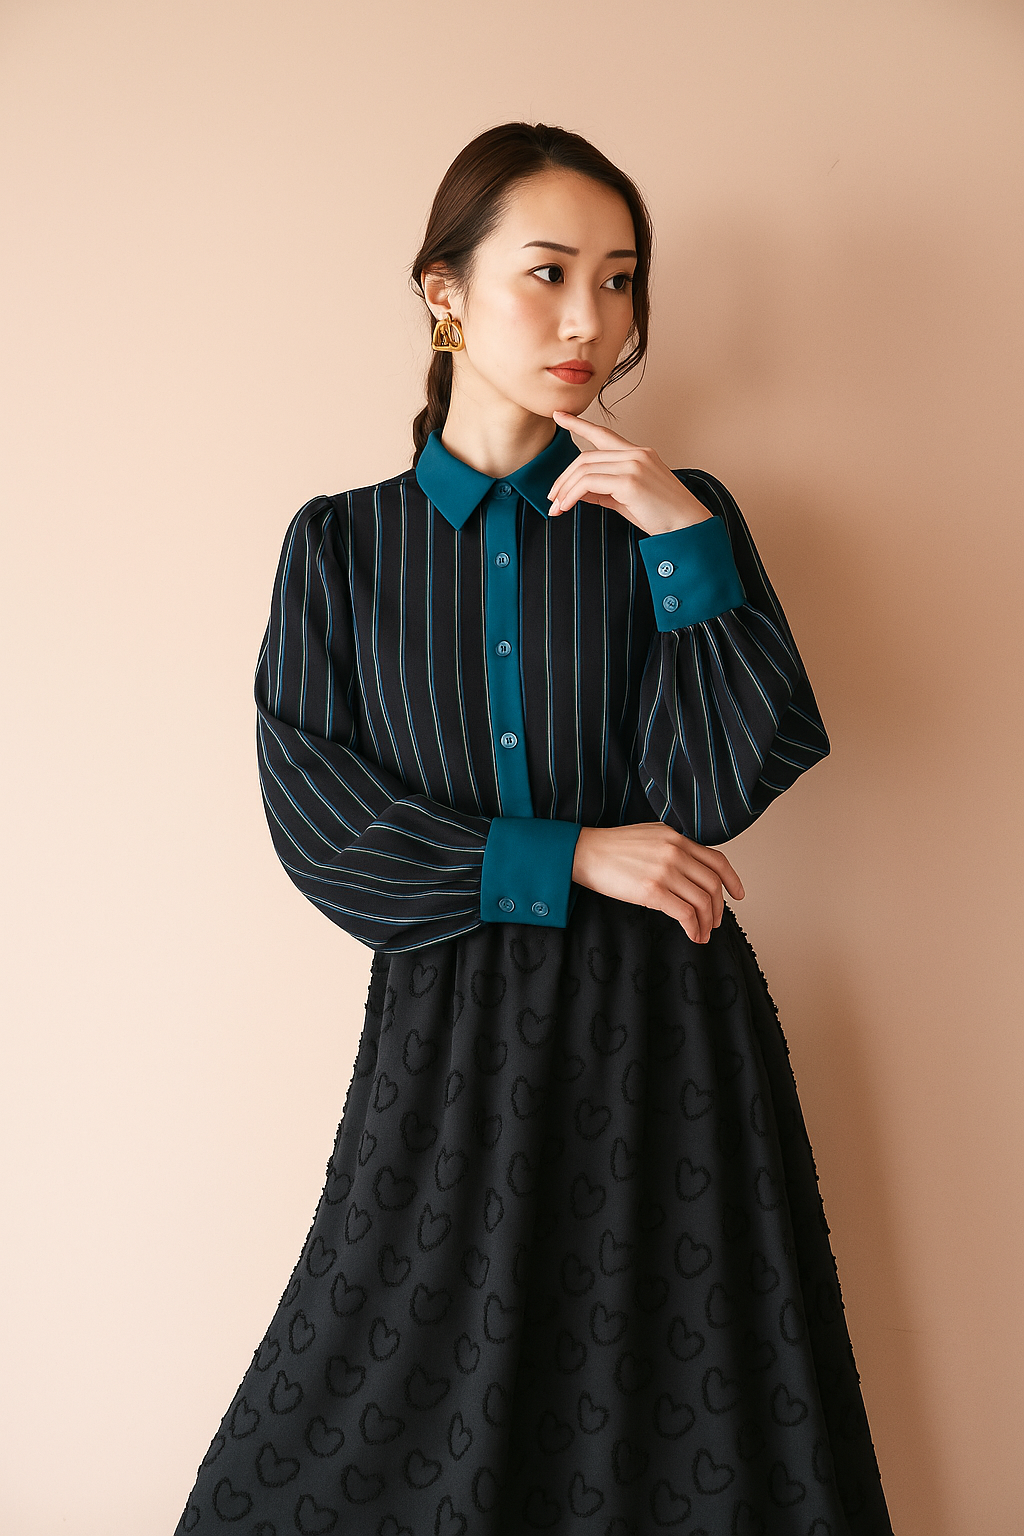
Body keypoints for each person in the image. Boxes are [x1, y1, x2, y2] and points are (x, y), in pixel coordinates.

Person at [174, 121, 894, 1536]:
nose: (590, 321)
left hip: (667, 1032)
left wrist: (680, 537)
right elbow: (321, 822)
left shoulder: (681, 518)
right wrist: (570, 853)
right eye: (550, 272)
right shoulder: (341, 546)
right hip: (447, 1038)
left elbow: (720, 780)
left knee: (681, 1421)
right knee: (366, 1404)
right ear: (444, 291)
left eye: (619, 281)